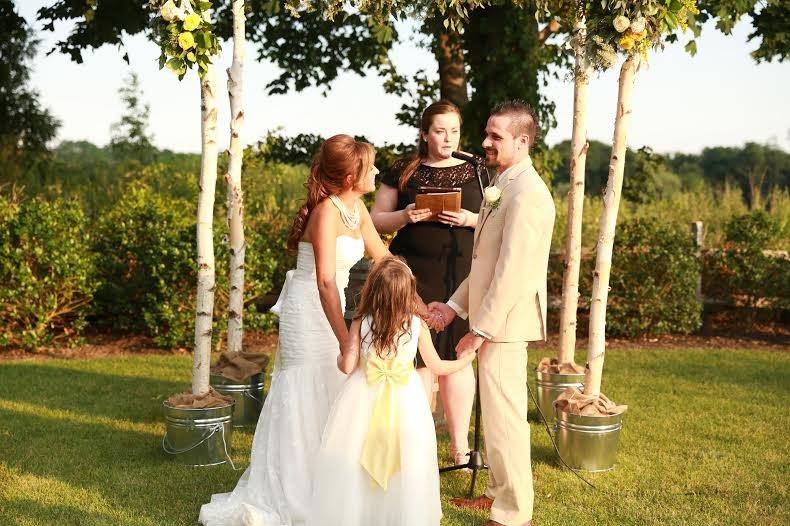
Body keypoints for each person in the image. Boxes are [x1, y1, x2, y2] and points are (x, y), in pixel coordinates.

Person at [200, 135, 394, 526]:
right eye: (371, 166)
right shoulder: (326, 212)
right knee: (305, 393)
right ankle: (294, 492)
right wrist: (346, 340)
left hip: (331, 303)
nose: (377, 171)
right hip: (310, 308)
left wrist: (417, 300)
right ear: (352, 174)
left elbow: (384, 257)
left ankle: (329, 485)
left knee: (334, 392)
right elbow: (324, 281)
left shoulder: (358, 209)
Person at [429, 100, 555, 526]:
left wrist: (479, 329)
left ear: (522, 142)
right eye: (485, 133)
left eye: (495, 136)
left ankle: (514, 515)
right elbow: (483, 264)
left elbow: (513, 273)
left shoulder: (529, 194)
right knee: (498, 417)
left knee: (506, 420)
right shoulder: (502, 185)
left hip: (504, 322)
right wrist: (452, 307)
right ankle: (498, 493)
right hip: (490, 318)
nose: (484, 142)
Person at [307, 256, 476, 526]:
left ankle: (358, 511)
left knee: (355, 453)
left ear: (373, 289)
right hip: (406, 400)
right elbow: (437, 366)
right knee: (407, 454)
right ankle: (402, 512)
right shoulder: (416, 324)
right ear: (408, 292)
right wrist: (466, 360)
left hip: (362, 395)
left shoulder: (361, 321)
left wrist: (340, 358)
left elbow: (347, 365)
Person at [371, 100, 483, 467]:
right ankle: (417, 447)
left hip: (461, 276)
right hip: (411, 276)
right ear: (424, 133)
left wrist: (470, 219)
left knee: (456, 358)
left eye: (454, 130)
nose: (448, 138)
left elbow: (500, 218)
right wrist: (404, 215)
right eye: (440, 130)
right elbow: (374, 221)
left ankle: (459, 446)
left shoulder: (478, 170)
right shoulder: (404, 170)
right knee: (417, 360)